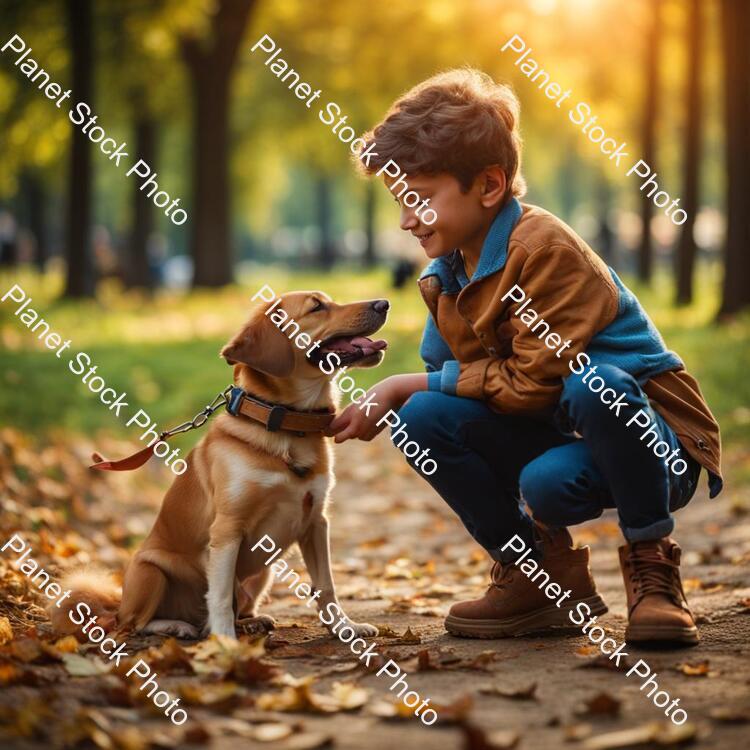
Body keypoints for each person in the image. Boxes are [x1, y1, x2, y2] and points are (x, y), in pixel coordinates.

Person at [329, 69, 722, 645]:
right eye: (399, 202)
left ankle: (653, 564)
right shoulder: (445, 277)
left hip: (657, 446)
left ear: (488, 186)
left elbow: (536, 382)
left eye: (419, 199)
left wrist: (403, 383)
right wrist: (395, 397)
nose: (406, 219)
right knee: (422, 422)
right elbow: (451, 385)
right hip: (560, 445)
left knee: (596, 385)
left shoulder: (546, 249)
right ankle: (541, 579)